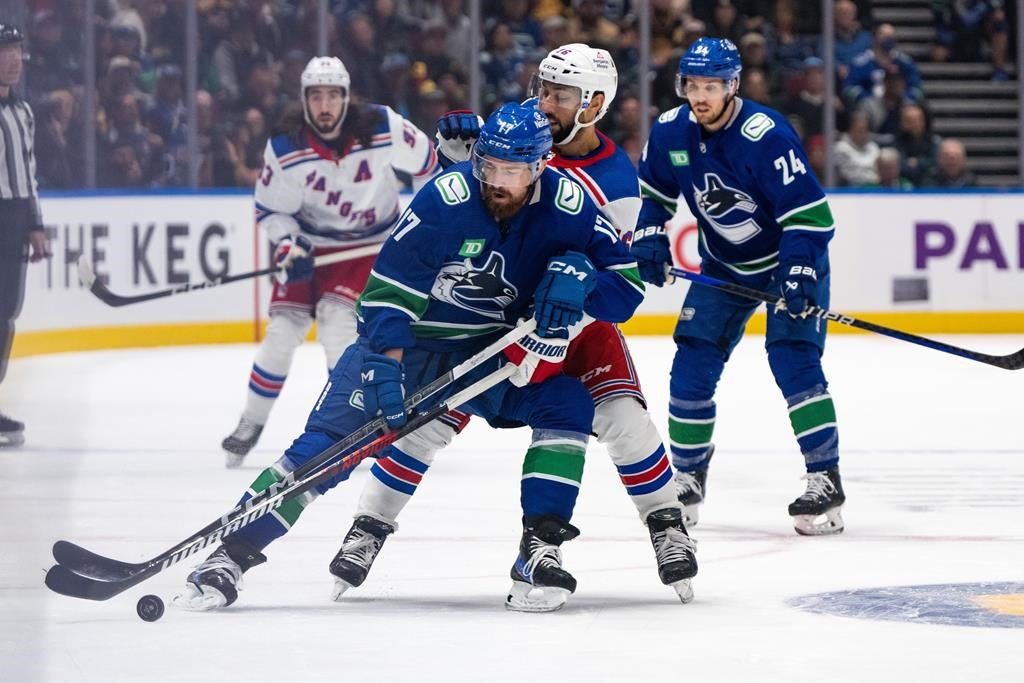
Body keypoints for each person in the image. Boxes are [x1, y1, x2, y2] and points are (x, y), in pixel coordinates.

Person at [175, 101, 649, 613]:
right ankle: (230, 554)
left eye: (511, 171)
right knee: (324, 449)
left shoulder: (571, 206)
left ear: (538, 167)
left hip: (486, 357)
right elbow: (385, 295)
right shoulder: (444, 200)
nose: (496, 181)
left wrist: (585, 284)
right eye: (488, 166)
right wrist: (384, 366)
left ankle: (539, 547)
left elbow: (627, 287)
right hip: (410, 348)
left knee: (567, 405)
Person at [329, 44, 697, 605]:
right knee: (429, 414)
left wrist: (557, 323)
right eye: (543, 89)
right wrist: (452, 163)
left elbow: (614, 284)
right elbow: (459, 217)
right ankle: (368, 527)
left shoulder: (615, 182)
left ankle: (665, 525)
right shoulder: (515, 137)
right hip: (490, 318)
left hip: (571, 326)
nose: (546, 102)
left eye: (562, 95)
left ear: (594, 104)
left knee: (623, 421)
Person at [630, 37, 846, 536]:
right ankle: (687, 476)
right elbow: (654, 201)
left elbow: (811, 219)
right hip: (724, 268)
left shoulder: (766, 135)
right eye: (693, 85)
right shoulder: (668, 132)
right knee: (690, 367)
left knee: (794, 361)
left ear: (732, 85)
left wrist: (797, 271)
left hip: (789, 262)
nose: (700, 96)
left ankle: (825, 477)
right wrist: (648, 237)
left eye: (711, 86)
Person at [220, 56, 440, 467]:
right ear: (304, 100)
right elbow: (270, 211)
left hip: (371, 247)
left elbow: (429, 164)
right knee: (281, 333)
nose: (325, 105)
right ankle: (250, 423)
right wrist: (288, 245)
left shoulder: (382, 126)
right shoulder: (286, 148)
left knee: (339, 325)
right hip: (311, 246)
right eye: (316, 96)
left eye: (333, 95)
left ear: (346, 97)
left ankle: (352, 422)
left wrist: (430, 221)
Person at [0, 23, 51, 447]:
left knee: (5, 315)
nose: (14, 59)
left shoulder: (22, 111)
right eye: (5, 51)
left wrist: (35, 223)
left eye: (17, 49)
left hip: (13, 220)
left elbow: (29, 172)